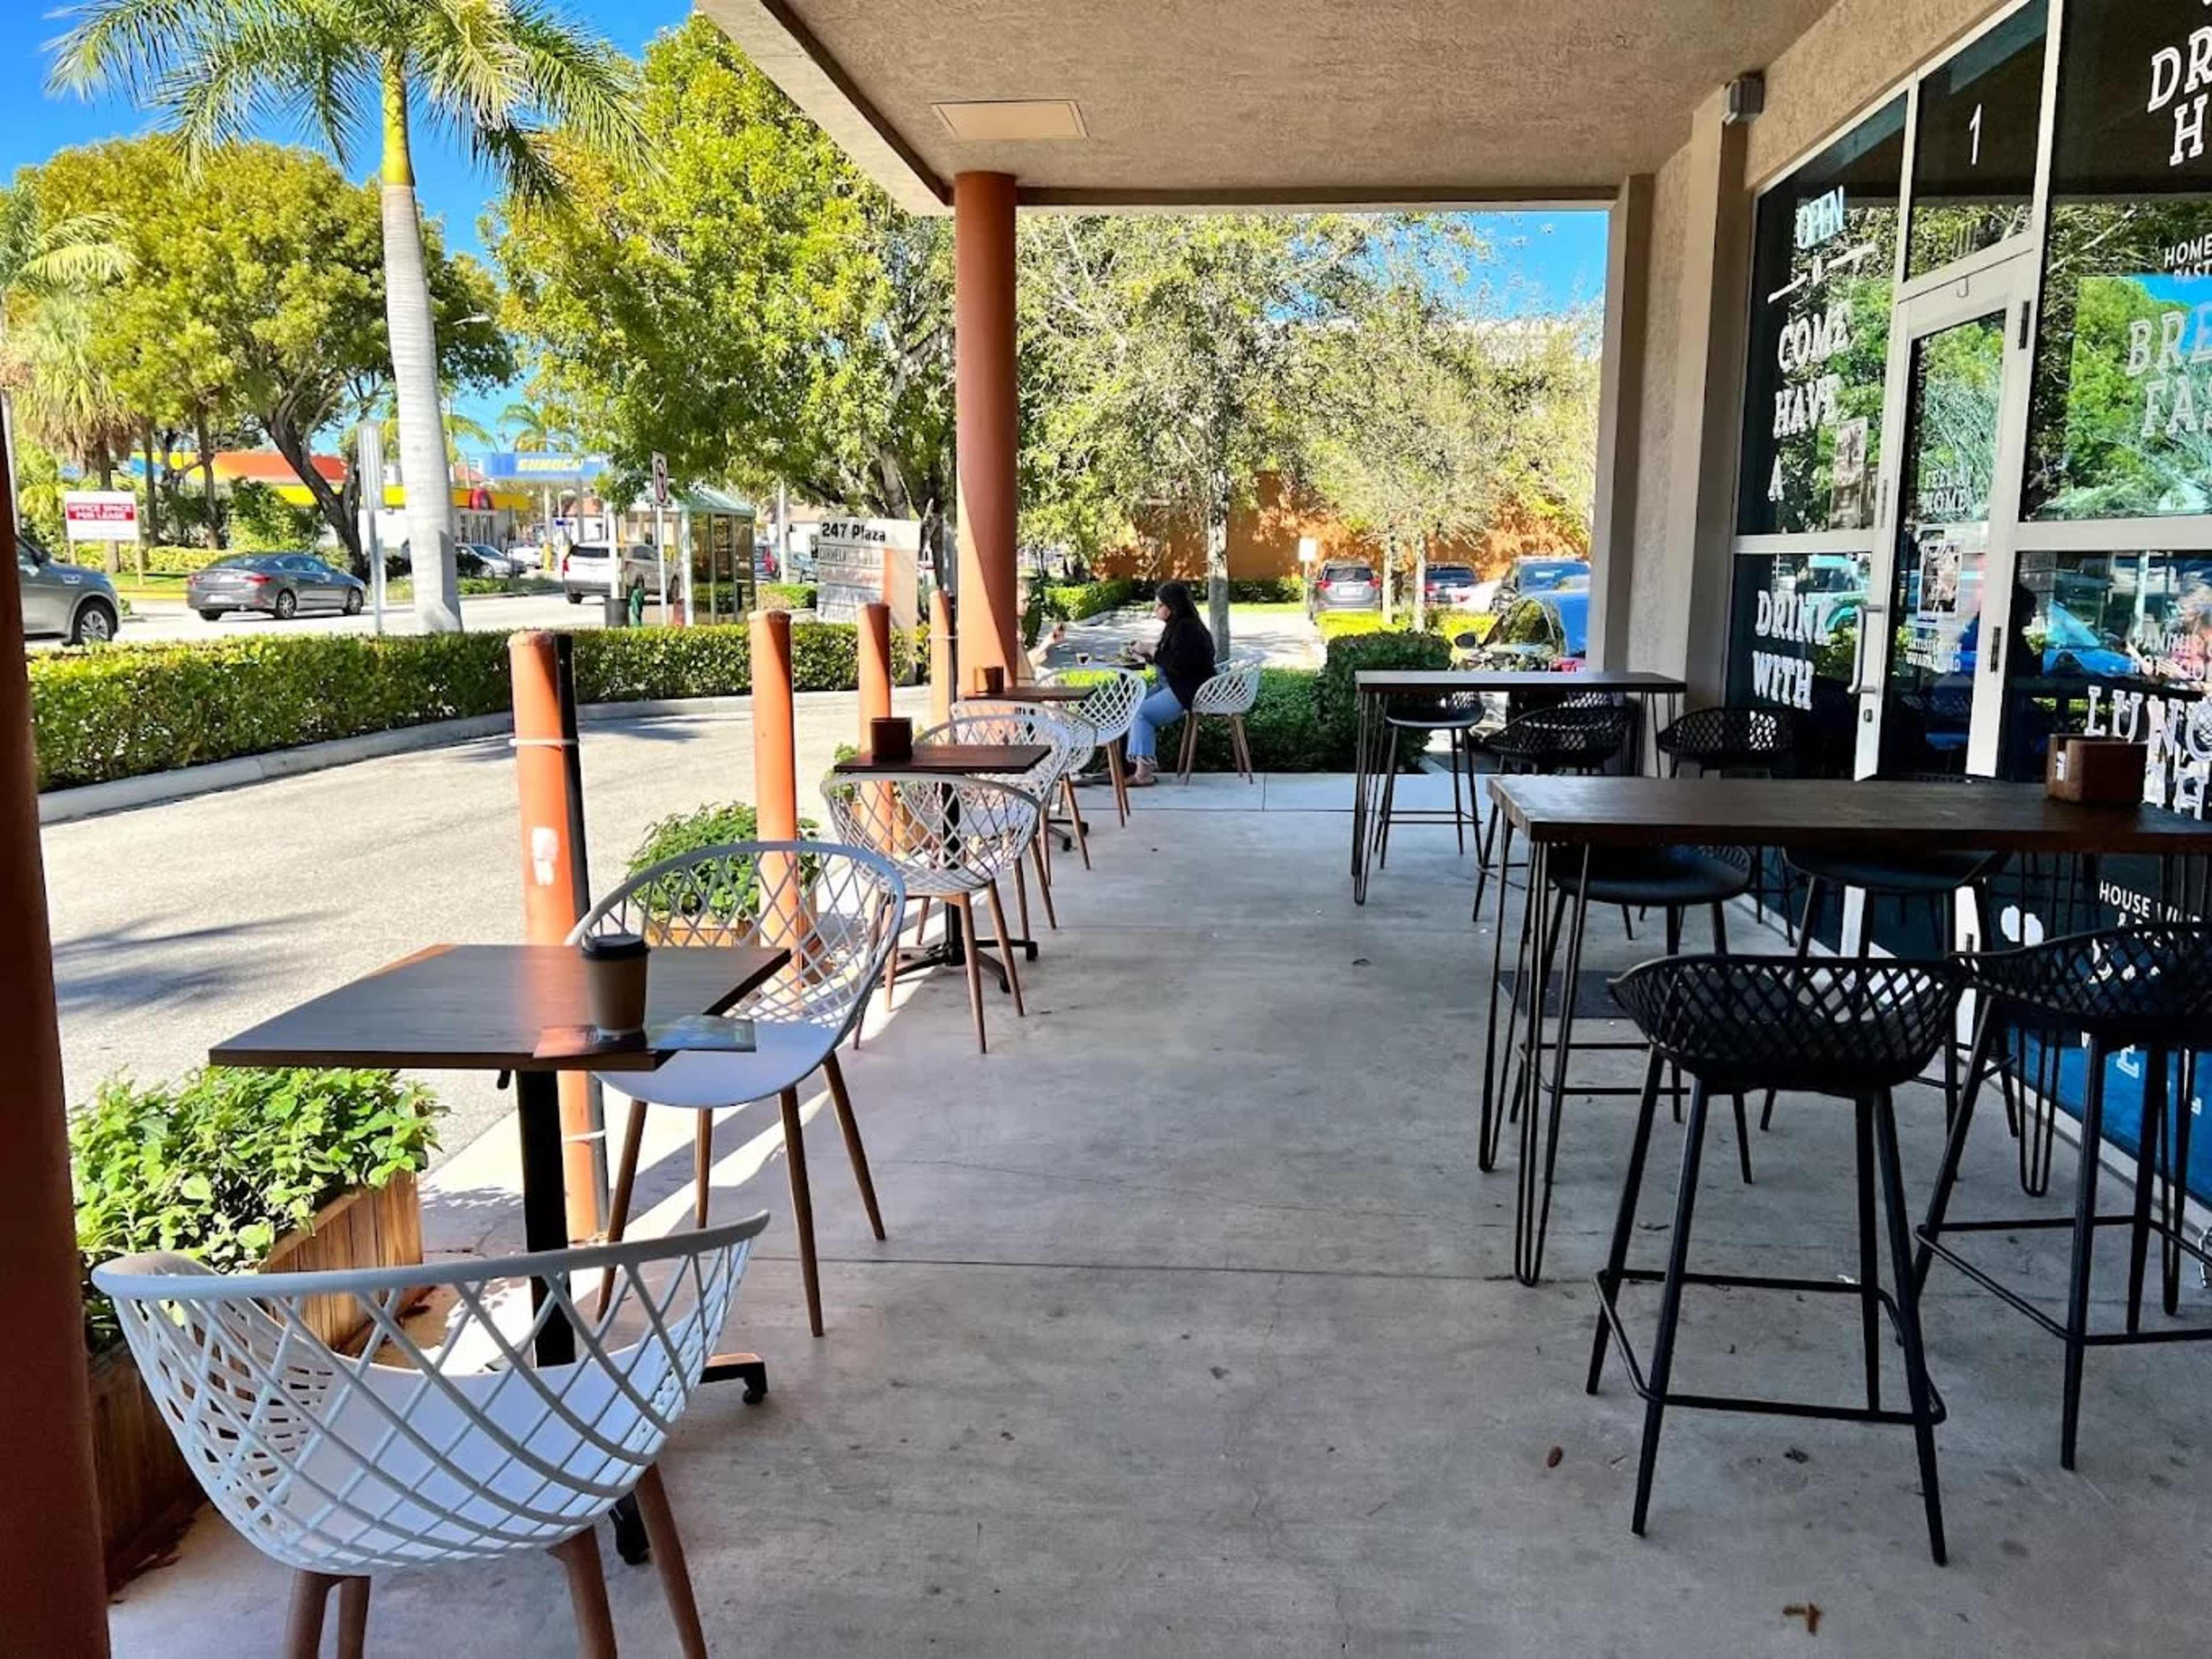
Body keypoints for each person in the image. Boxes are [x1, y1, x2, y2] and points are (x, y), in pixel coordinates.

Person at [1123, 581, 1217, 786]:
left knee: (1141, 713)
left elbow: (1178, 664)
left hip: (1186, 689)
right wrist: (1145, 653)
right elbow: (1168, 659)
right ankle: (1127, 766)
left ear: (1172, 607)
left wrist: (1150, 649)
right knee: (1129, 707)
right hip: (1173, 685)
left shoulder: (1187, 629)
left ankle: (1143, 774)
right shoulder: (1177, 626)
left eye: (1159, 605)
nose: (1156, 610)